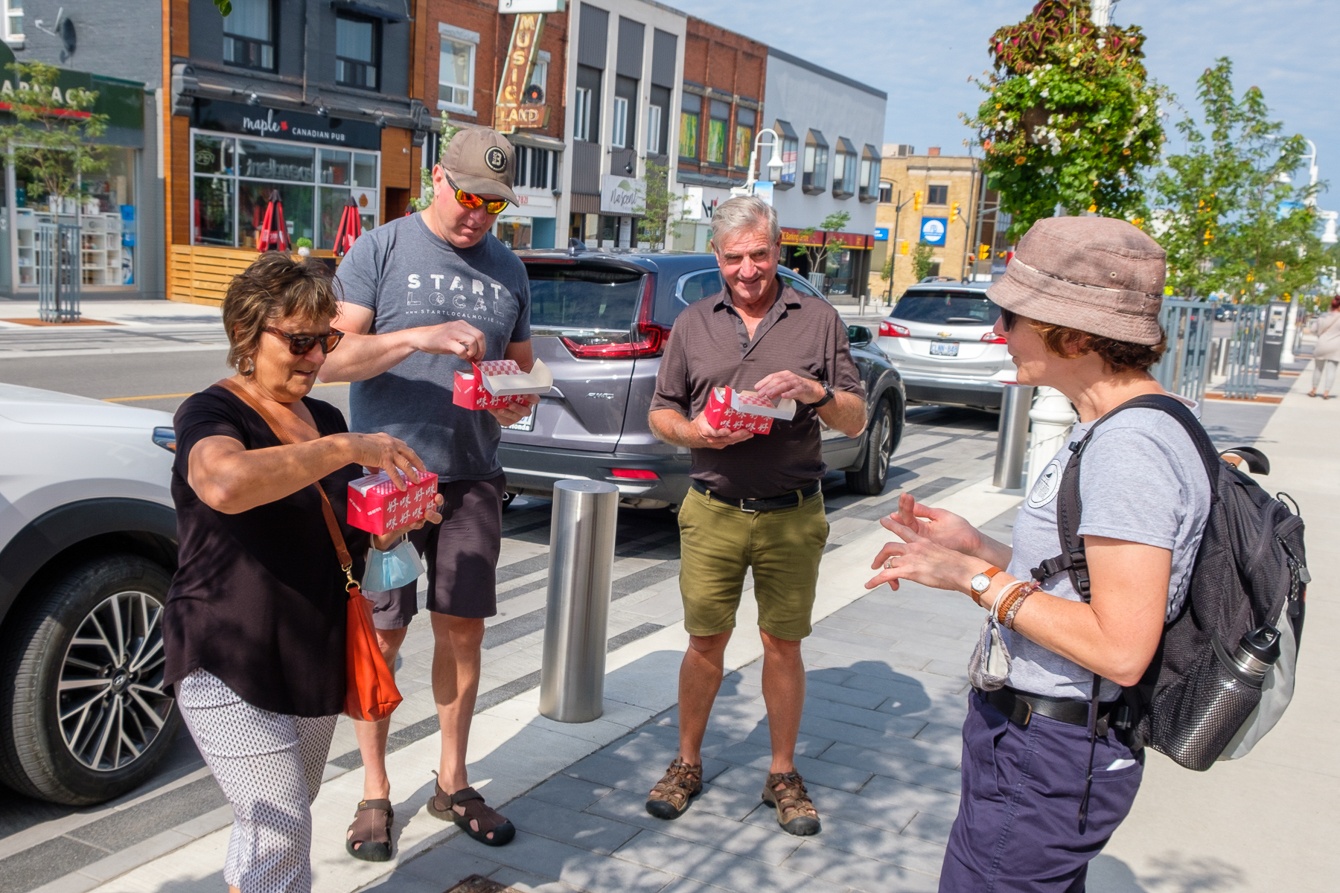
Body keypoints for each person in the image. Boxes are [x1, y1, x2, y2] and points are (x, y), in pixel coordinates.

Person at [866, 216, 1213, 891]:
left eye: (1012, 314)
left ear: (1076, 334)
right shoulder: (1135, 424)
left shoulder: (1128, 450)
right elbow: (1093, 578)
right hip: (1048, 749)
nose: (1001, 330)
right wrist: (979, 547)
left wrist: (977, 577)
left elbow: (1120, 645)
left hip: (1048, 753)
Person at [164, 254, 439, 892]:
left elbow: (353, 539)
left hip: (313, 652)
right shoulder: (212, 413)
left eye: (325, 341)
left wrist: (402, 516)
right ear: (246, 334)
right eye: (299, 340)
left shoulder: (327, 419)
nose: (315, 358)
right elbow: (224, 483)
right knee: (282, 821)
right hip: (226, 653)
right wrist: (342, 450)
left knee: (273, 824)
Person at [319, 126, 534, 858]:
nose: (477, 215)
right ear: (437, 179)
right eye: (469, 195)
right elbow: (330, 359)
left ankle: (452, 780)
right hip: (390, 482)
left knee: (463, 629)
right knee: (383, 630)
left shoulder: (510, 269)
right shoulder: (380, 249)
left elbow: (520, 371)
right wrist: (418, 337)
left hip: (471, 477)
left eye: (493, 205)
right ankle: (375, 789)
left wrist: (515, 398)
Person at [644, 195, 867, 836]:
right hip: (712, 508)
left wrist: (815, 391)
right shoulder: (692, 323)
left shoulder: (818, 318)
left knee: (783, 644)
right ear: (718, 256)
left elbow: (855, 415)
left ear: (778, 250)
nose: (748, 269)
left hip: (792, 513)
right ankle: (687, 763)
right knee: (705, 641)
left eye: (760, 254)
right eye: (735, 257)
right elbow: (661, 411)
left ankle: (782, 773)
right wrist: (694, 433)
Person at [1306, 295, 1340, 399]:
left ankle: (1313, 390)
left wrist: (1319, 335)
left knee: (1318, 369)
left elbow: (1312, 330)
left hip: (1322, 344)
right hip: (1336, 346)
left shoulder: (1323, 317)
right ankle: (1326, 392)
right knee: (1331, 370)